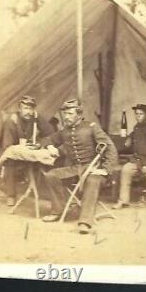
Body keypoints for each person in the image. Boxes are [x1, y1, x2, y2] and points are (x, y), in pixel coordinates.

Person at [41, 99, 118, 234]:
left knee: (92, 180)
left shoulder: (92, 127)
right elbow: (47, 139)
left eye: (70, 114)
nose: (66, 117)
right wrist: (50, 146)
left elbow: (110, 148)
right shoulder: (64, 131)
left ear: (79, 114)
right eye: (65, 114)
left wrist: (105, 169)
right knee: (51, 175)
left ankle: (85, 221)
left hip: (93, 168)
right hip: (74, 168)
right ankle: (57, 210)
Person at [1, 95, 54, 206]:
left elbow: (51, 133)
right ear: (19, 109)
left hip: (30, 151)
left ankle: (48, 192)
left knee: (49, 159)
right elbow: (7, 146)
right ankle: (11, 195)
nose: (28, 112)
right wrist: (19, 150)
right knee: (10, 161)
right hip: (13, 151)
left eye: (31, 109)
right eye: (25, 108)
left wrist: (40, 143)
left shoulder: (35, 117)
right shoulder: (12, 120)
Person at [112, 104, 146, 210]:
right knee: (125, 169)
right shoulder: (137, 128)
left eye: (141, 114)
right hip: (138, 161)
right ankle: (123, 200)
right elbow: (135, 133)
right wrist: (130, 138)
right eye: (137, 114)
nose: (138, 116)